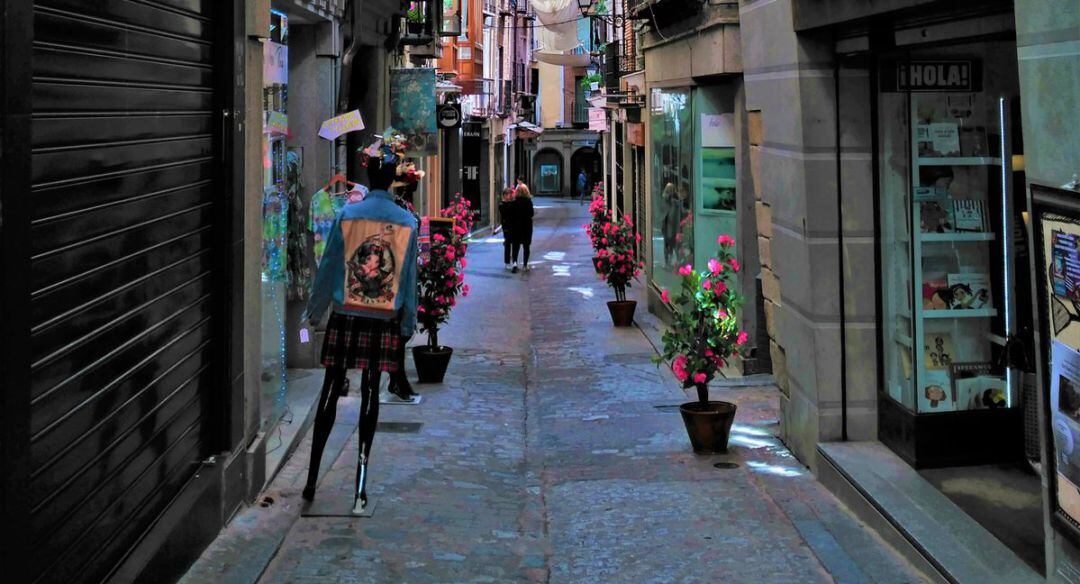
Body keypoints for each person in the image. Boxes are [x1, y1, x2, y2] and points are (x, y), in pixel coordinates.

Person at [300, 130, 419, 511]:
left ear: (368, 176)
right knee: (371, 393)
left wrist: (314, 309)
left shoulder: (347, 215)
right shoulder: (407, 222)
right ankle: (360, 486)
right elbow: (409, 278)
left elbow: (330, 265)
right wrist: (407, 323)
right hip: (383, 318)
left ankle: (311, 479)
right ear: (394, 176)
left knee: (330, 391)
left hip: (346, 314)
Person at [509, 181, 534, 273]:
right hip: (526, 226)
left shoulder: (514, 202)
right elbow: (531, 213)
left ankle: (515, 263)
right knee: (526, 246)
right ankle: (525, 264)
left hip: (516, 226)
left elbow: (511, 215)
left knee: (515, 246)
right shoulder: (528, 202)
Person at [498, 187, 517, 271]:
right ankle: (507, 262)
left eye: (510, 195)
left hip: (513, 226)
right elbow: (506, 211)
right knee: (508, 244)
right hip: (506, 227)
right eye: (509, 195)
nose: (510, 196)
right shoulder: (502, 204)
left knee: (514, 244)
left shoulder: (511, 203)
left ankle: (514, 261)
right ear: (505, 195)